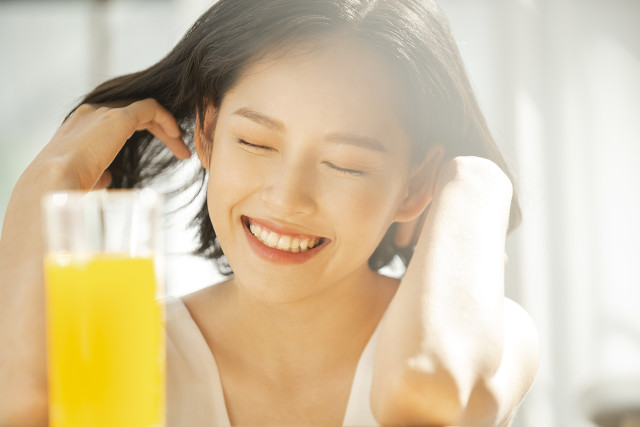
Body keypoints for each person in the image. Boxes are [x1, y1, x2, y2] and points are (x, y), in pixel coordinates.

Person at [0, 0, 540, 425]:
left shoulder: (487, 334)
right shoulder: (131, 344)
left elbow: (426, 394)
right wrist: (46, 181)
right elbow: (20, 410)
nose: (286, 199)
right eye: (256, 143)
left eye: (345, 164)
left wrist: (476, 180)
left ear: (415, 183)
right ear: (207, 133)